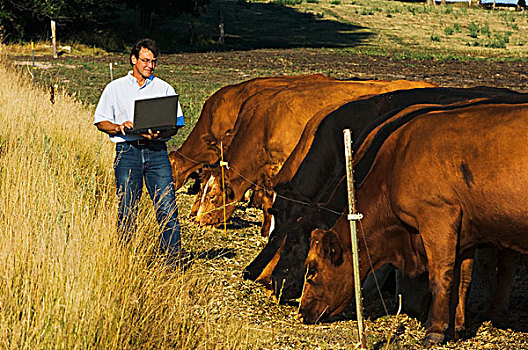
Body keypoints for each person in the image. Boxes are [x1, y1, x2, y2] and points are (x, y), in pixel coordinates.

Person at [94, 38, 184, 260]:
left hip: (157, 153)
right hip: (128, 152)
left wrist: (161, 133)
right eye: (145, 60)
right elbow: (101, 122)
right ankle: (125, 260)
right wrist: (120, 127)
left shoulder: (164, 88)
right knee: (127, 207)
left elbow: (177, 123)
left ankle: (172, 261)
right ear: (134, 59)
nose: (150, 66)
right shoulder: (115, 88)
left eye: (153, 62)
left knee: (167, 207)